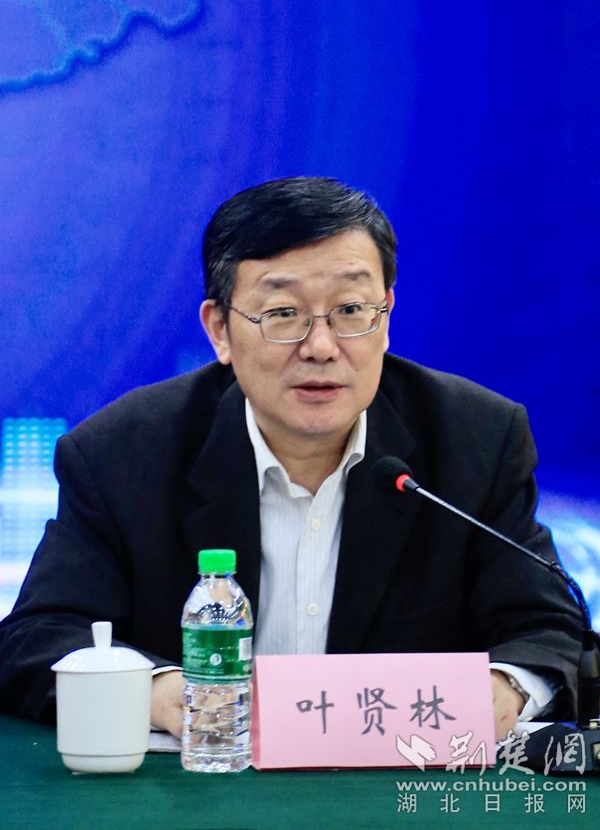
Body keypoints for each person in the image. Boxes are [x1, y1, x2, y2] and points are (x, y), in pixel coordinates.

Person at [0, 177, 581, 743]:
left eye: (351, 309)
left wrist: (505, 690)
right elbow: (39, 636)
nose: (321, 347)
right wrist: (165, 693)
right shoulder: (124, 453)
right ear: (220, 330)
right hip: (202, 784)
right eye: (282, 314)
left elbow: (549, 633)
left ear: (385, 317)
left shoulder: (476, 440)